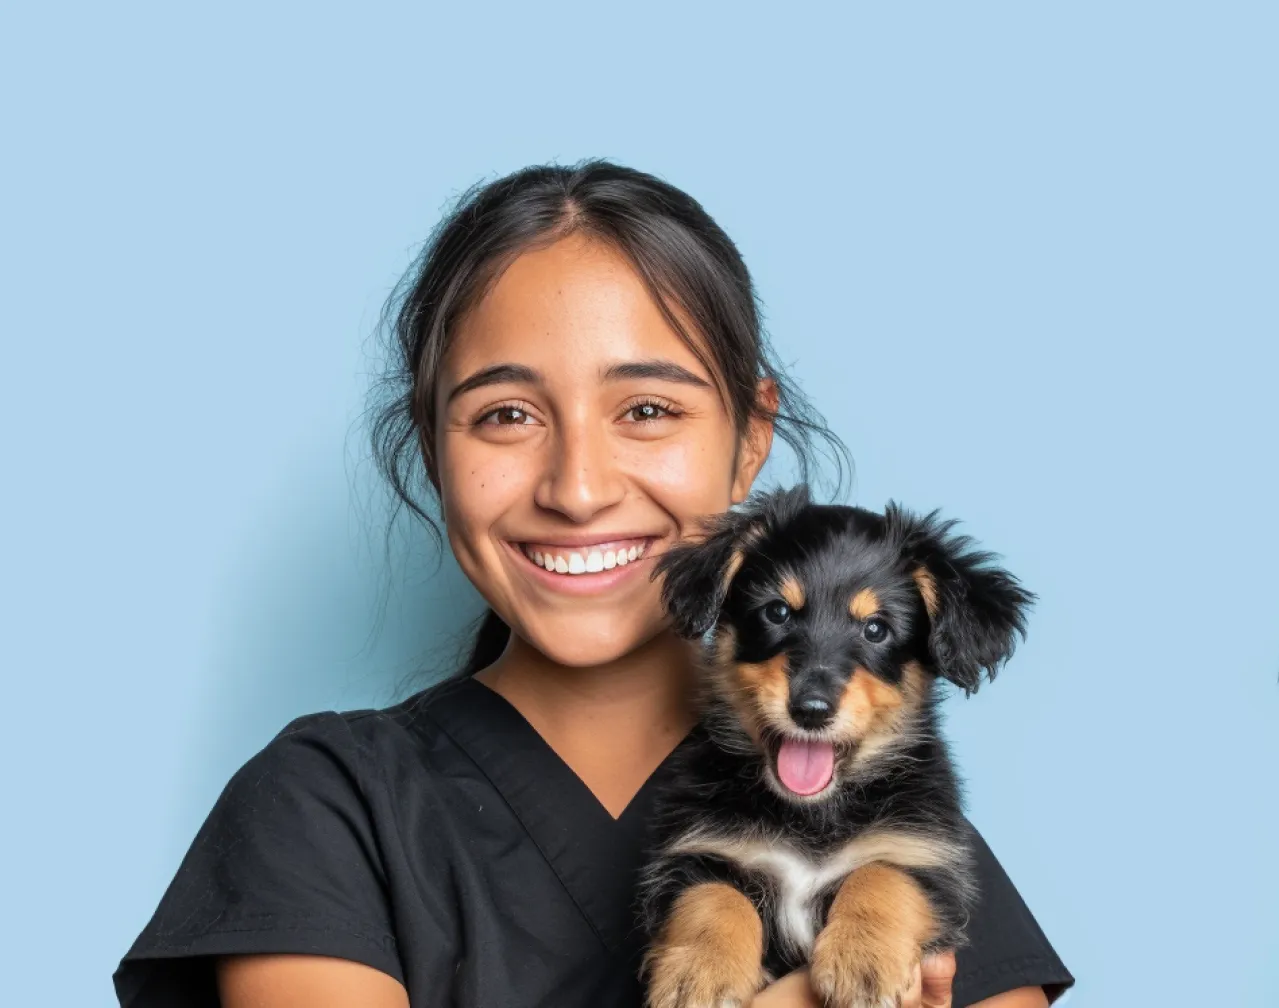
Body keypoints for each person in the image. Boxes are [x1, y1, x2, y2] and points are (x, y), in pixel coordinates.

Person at [116, 161, 1071, 1008]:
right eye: (504, 415)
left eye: (648, 409)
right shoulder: (327, 810)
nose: (577, 489)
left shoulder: (890, 814)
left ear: (751, 437)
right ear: (431, 447)